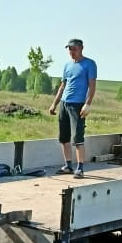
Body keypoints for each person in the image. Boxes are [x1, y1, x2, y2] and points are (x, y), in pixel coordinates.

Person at [49, 38, 97, 179]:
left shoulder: (89, 64)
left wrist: (87, 104)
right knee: (64, 137)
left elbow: (92, 86)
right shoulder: (67, 65)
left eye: (74, 49)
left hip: (78, 105)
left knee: (77, 137)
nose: (71, 52)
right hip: (65, 103)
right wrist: (54, 104)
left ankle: (80, 168)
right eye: (69, 49)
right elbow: (62, 86)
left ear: (81, 48)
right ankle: (68, 165)